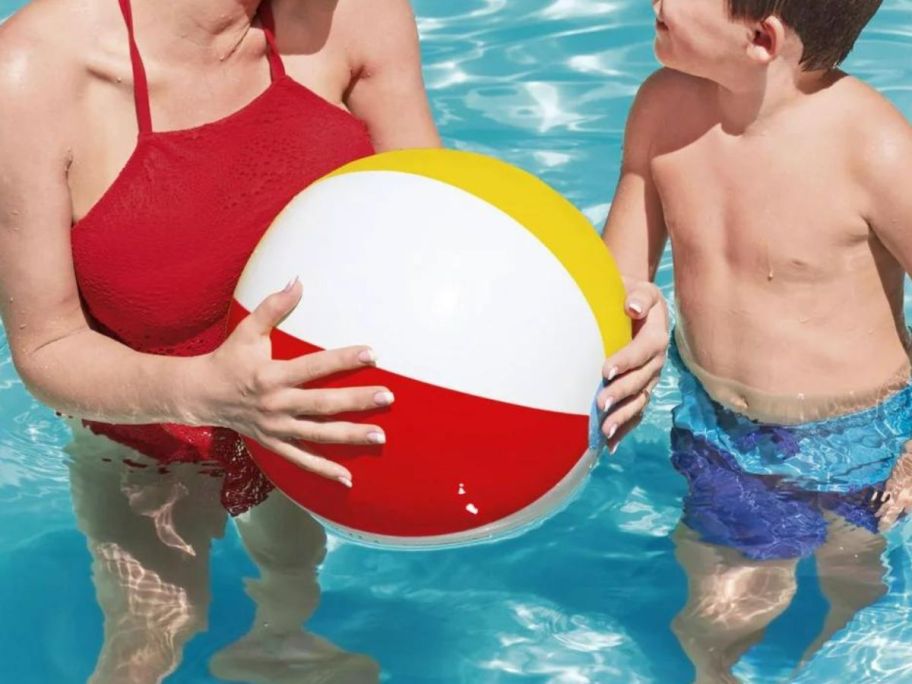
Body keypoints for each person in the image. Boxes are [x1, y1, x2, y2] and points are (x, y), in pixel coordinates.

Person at [0, 0, 661, 679]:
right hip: (148, 441)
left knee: (291, 576)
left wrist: (615, 314)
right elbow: (48, 348)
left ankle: (276, 643)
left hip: (316, 429)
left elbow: (445, 235)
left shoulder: (357, 15)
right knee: (154, 633)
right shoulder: (32, 74)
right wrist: (205, 391)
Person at [598, 0, 912, 681]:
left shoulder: (872, 147)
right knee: (713, 621)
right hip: (719, 428)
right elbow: (615, 281)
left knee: (853, 588)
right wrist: (632, 309)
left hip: (860, 439)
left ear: (761, 38)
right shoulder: (661, 109)